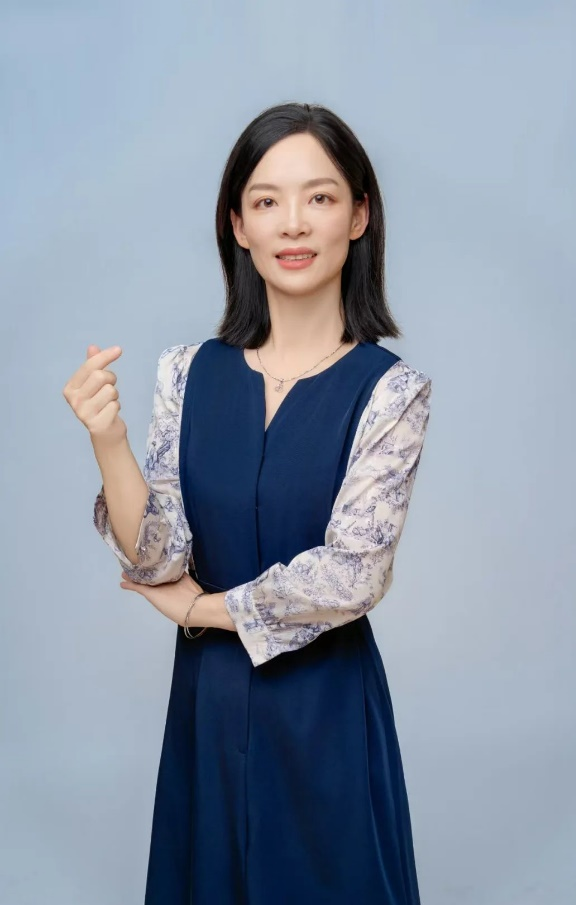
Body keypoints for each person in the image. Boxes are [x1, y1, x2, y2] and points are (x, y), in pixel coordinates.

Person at [64, 101, 432, 904]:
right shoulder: (186, 372)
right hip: (208, 705)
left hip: (325, 711)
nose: (292, 223)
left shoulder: (389, 390)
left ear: (358, 215)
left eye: (319, 197)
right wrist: (108, 439)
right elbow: (156, 554)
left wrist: (202, 610)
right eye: (266, 200)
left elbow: (353, 573)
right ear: (237, 224)